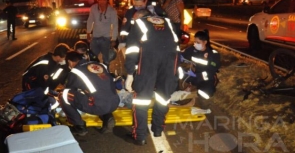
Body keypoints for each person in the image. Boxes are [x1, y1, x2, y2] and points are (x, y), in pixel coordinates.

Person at [124, 9, 180, 145]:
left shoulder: (139, 23)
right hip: (170, 62)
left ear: (139, 16)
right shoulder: (167, 21)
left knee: (142, 100)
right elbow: (176, 44)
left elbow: (132, 49)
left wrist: (130, 74)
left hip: (148, 62)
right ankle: (158, 129)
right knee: (163, 97)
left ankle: (140, 136)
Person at [59, 50, 120, 135]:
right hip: (115, 102)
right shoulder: (99, 65)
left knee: (64, 94)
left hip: (99, 105)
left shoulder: (75, 71)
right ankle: (107, 116)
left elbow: (71, 89)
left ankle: (79, 126)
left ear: (69, 62)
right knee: (100, 93)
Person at [180, 29, 221, 99]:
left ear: (205, 42)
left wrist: (197, 76)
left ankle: (195, 91)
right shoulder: (193, 49)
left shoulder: (213, 54)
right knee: (177, 72)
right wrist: (179, 56)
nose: (195, 44)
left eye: (198, 42)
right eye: (195, 42)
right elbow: (182, 54)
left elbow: (211, 72)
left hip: (207, 77)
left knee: (206, 93)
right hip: (194, 74)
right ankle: (190, 86)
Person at [86, 0, 118, 70]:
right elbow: (90, 20)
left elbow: (115, 25)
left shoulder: (112, 11)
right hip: (95, 38)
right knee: (93, 59)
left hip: (106, 39)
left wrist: (114, 39)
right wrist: (88, 33)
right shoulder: (93, 8)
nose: (102, 1)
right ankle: (93, 75)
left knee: (106, 60)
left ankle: (106, 74)